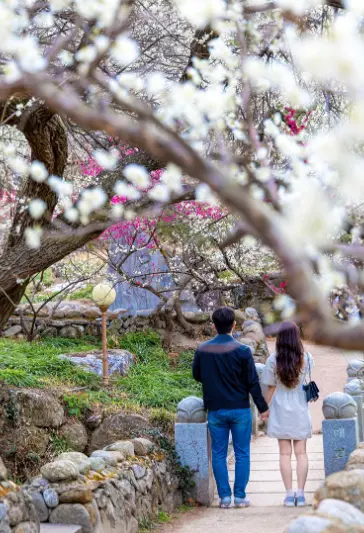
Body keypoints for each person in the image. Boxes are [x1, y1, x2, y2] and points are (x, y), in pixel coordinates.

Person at [192, 306, 269, 509]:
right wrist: (262, 407)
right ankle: (240, 496)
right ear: (234, 325)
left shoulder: (203, 349)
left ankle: (224, 498)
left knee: (218, 453)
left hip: (215, 409)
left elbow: (196, 375)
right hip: (240, 409)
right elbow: (253, 382)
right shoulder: (243, 351)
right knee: (242, 452)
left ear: (213, 325)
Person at [261, 321, 314, 508]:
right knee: (301, 453)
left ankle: (288, 494)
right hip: (300, 408)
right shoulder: (306, 357)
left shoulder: (273, 360)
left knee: (284, 454)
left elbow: (270, 387)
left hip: (280, 410)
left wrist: (263, 409)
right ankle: (301, 494)